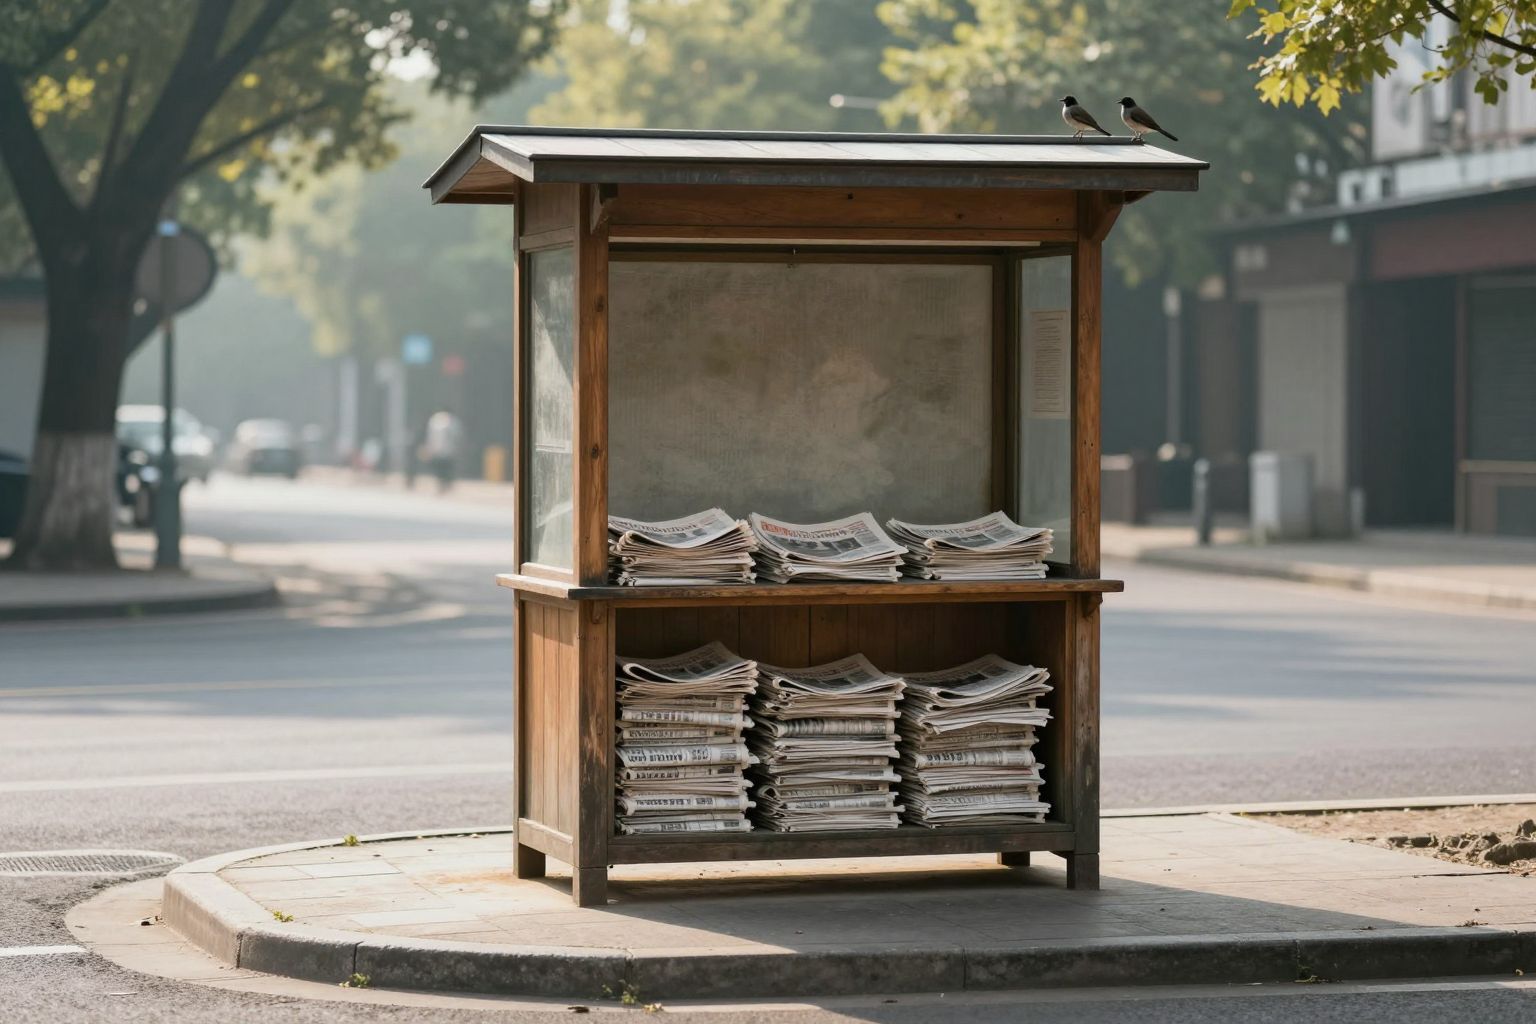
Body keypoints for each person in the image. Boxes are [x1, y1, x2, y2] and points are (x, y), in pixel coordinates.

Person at [423, 410, 463, 493]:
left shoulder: (434, 421)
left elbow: (430, 437)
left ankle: (442, 484)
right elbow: (457, 436)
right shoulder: (452, 422)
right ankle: (446, 483)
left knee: (440, 469)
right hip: (448, 451)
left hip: (438, 451)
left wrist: (430, 448)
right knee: (447, 469)